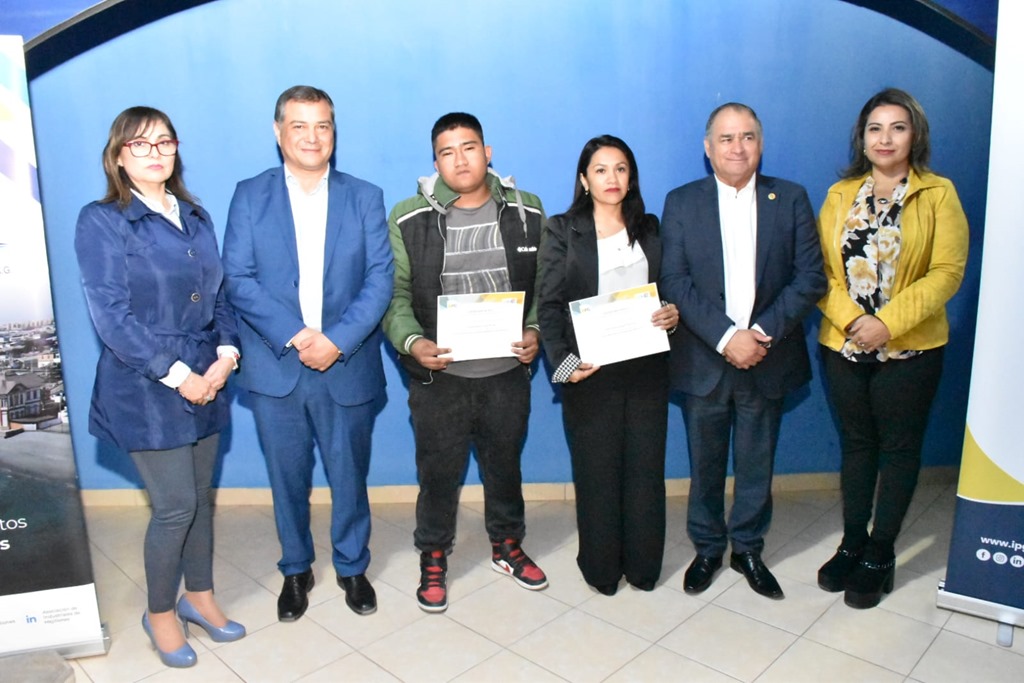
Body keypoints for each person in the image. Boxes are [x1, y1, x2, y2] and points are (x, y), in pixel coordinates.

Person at [75, 107, 245, 668]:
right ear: (119, 156)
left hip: (208, 377)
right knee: (175, 506)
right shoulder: (102, 220)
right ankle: (160, 613)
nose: (155, 153)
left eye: (165, 142)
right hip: (145, 384)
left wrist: (226, 357)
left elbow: (220, 298)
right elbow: (111, 316)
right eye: (140, 144)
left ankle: (200, 597)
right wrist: (179, 376)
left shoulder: (195, 215)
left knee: (200, 499)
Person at [221, 85, 393, 622]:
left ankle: (352, 566)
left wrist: (335, 340)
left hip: (347, 363)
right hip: (277, 367)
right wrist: (298, 335)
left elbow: (380, 279)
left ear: (333, 133)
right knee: (287, 479)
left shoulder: (364, 196)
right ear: (279, 132)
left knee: (350, 476)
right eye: (299, 125)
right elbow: (238, 277)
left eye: (323, 125)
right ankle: (296, 569)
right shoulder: (250, 195)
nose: (312, 137)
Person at [383, 112, 548, 613]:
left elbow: (546, 287)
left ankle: (507, 545)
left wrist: (536, 331)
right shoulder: (408, 216)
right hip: (440, 378)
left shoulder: (528, 210)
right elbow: (396, 295)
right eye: (447, 152)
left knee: (505, 467)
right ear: (435, 162)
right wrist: (412, 342)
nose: (460, 160)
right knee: (437, 474)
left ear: (487, 152)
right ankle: (433, 555)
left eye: (469, 147)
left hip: (506, 374)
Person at [660, 103, 826, 600]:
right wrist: (726, 336)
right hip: (704, 357)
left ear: (761, 144)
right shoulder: (681, 201)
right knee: (705, 463)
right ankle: (708, 548)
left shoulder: (790, 198)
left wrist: (758, 333)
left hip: (766, 356)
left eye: (748, 137)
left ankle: (748, 548)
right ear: (708, 147)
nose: (738, 147)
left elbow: (810, 277)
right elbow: (674, 280)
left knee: (757, 463)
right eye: (726, 138)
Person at [815, 88, 968, 609]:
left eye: (897, 127)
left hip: (911, 351)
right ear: (862, 137)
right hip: (845, 346)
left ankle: (881, 552)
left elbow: (946, 273)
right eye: (875, 128)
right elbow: (820, 272)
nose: (885, 138)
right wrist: (854, 321)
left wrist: (886, 324)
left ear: (914, 135)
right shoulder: (840, 194)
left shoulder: (939, 194)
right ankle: (852, 542)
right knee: (857, 445)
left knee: (899, 449)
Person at [538, 135, 678, 595]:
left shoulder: (650, 227)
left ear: (631, 177)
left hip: (646, 368)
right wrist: (564, 366)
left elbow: (667, 292)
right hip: (589, 371)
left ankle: (643, 566)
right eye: (600, 169)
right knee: (597, 472)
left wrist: (672, 315)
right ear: (584, 179)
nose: (611, 178)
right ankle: (601, 568)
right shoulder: (562, 229)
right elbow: (549, 306)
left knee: (644, 472)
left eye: (620, 168)